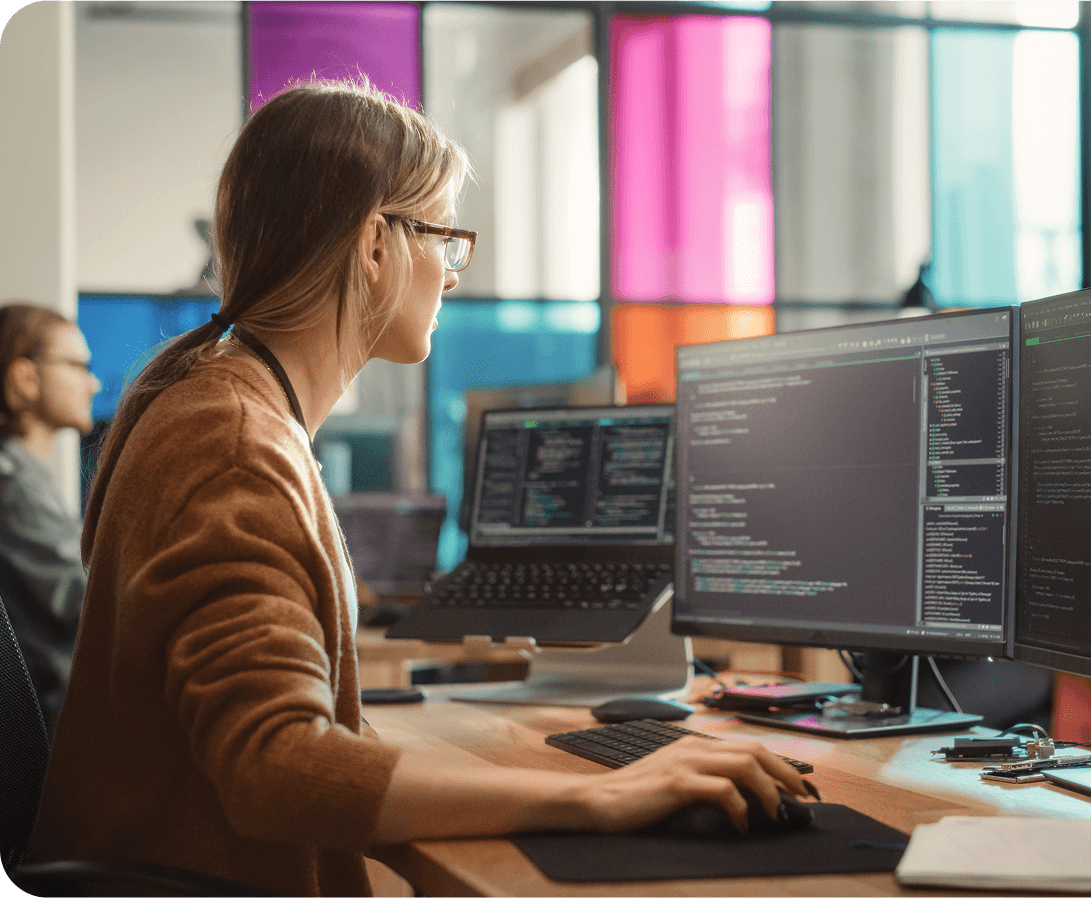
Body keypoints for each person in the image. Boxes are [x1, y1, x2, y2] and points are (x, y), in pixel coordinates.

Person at [28, 79, 807, 897]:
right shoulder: (233, 444)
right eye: (445, 238)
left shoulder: (218, 405)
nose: (453, 275)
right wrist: (597, 797)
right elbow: (273, 763)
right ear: (375, 244)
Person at [0, 303, 101, 736]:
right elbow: (89, 602)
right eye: (77, 366)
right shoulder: (11, 486)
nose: (93, 383)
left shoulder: (25, 477)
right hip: (41, 738)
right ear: (25, 377)